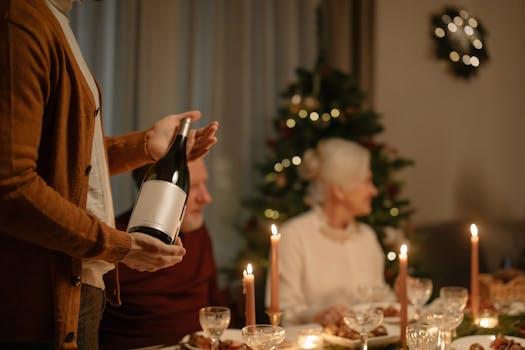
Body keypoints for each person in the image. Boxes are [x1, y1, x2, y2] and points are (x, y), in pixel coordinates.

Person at [0, 1, 218, 349]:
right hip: (44, 293)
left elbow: (71, 161)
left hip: (81, 283)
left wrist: (145, 145)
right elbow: (11, 187)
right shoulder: (22, 20)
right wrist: (121, 246)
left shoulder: (54, 21)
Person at [99, 158, 223, 349]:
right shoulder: (113, 240)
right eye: (193, 186)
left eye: (204, 184)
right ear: (157, 192)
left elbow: (216, 303)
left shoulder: (197, 231)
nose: (206, 198)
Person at [271, 138, 394, 325]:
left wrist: (400, 300)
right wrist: (319, 316)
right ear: (339, 191)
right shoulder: (295, 236)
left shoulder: (367, 236)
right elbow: (283, 311)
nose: (374, 191)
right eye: (367, 182)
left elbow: (379, 304)